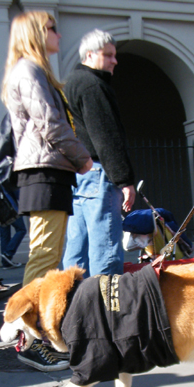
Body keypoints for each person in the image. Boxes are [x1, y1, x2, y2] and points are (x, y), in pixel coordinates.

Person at [0, 10, 92, 371]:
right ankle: (27, 340)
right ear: (36, 34)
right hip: (43, 171)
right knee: (42, 257)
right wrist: (84, 159)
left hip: (49, 170)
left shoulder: (34, 71)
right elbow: (50, 123)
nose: (58, 33)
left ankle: (33, 335)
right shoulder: (29, 71)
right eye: (52, 28)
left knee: (48, 256)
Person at [62, 28, 137, 277]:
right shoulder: (93, 85)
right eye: (109, 55)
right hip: (98, 172)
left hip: (78, 173)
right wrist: (125, 179)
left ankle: (74, 307)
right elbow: (106, 136)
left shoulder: (71, 83)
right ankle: (107, 312)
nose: (115, 60)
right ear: (90, 55)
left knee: (76, 249)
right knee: (105, 249)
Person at [0, 113, 26, 269]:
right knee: (20, 228)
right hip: (5, 193)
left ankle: (6, 258)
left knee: (5, 229)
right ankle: (8, 254)